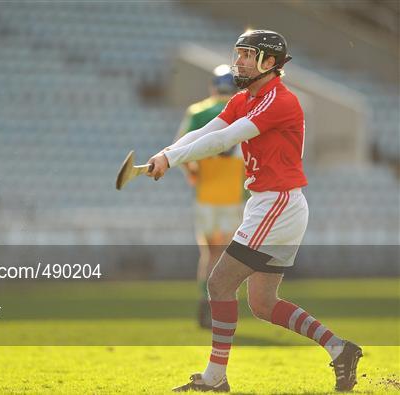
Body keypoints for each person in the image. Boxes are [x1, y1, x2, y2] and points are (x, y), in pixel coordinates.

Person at [146, 30, 362, 393]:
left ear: (270, 63)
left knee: (218, 283)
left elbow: (225, 139)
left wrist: (171, 158)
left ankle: (215, 378)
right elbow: (207, 129)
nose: (240, 60)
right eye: (240, 53)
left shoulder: (280, 100)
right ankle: (340, 349)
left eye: (249, 55)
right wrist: (165, 152)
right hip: (274, 204)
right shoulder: (246, 98)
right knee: (262, 304)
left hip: (277, 203)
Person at [176, 66, 245, 329]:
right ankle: (220, 305)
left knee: (208, 254)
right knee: (226, 254)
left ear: (213, 87)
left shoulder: (198, 112)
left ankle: (205, 303)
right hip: (232, 195)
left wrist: (192, 172)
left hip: (206, 195)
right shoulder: (243, 111)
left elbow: (180, 147)